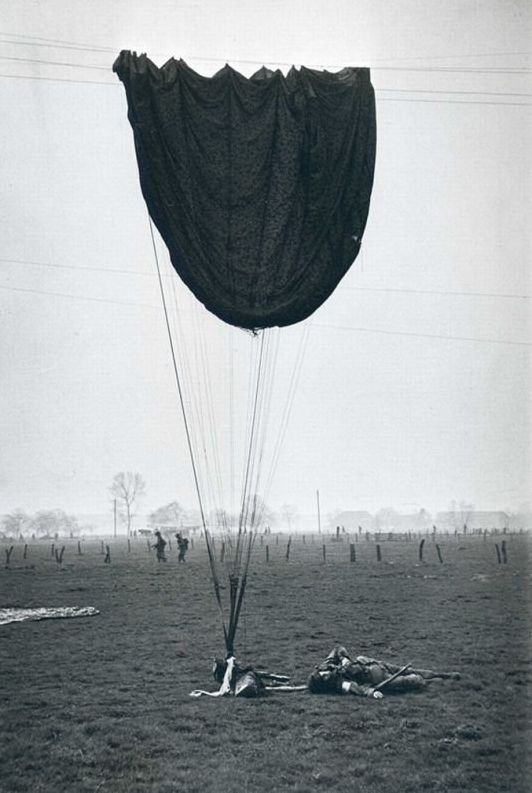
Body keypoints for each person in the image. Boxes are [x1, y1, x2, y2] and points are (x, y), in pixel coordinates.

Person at [308, 646, 460, 698]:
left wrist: (344, 659)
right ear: (325, 684)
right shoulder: (339, 684)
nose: (326, 674)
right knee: (414, 680)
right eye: (324, 678)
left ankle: (441, 675)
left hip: (372, 663)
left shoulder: (326, 666)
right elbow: (357, 688)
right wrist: (371, 693)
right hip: (378, 679)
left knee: (412, 670)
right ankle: (435, 682)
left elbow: (338, 649)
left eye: (323, 674)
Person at [190, 657, 296, 698]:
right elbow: (263, 675)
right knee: (252, 677)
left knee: (252, 677)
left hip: (246, 684)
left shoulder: (230, 681)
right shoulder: (233, 678)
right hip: (247, 684)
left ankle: (251, 688)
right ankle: (250, 688)